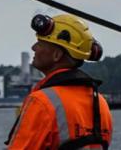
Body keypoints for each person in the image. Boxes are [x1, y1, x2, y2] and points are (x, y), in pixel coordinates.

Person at [6, 13, 113, 150]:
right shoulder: (100, 102)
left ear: (57, 55)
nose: (33, 47)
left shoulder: (42, 101)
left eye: (40, 43)